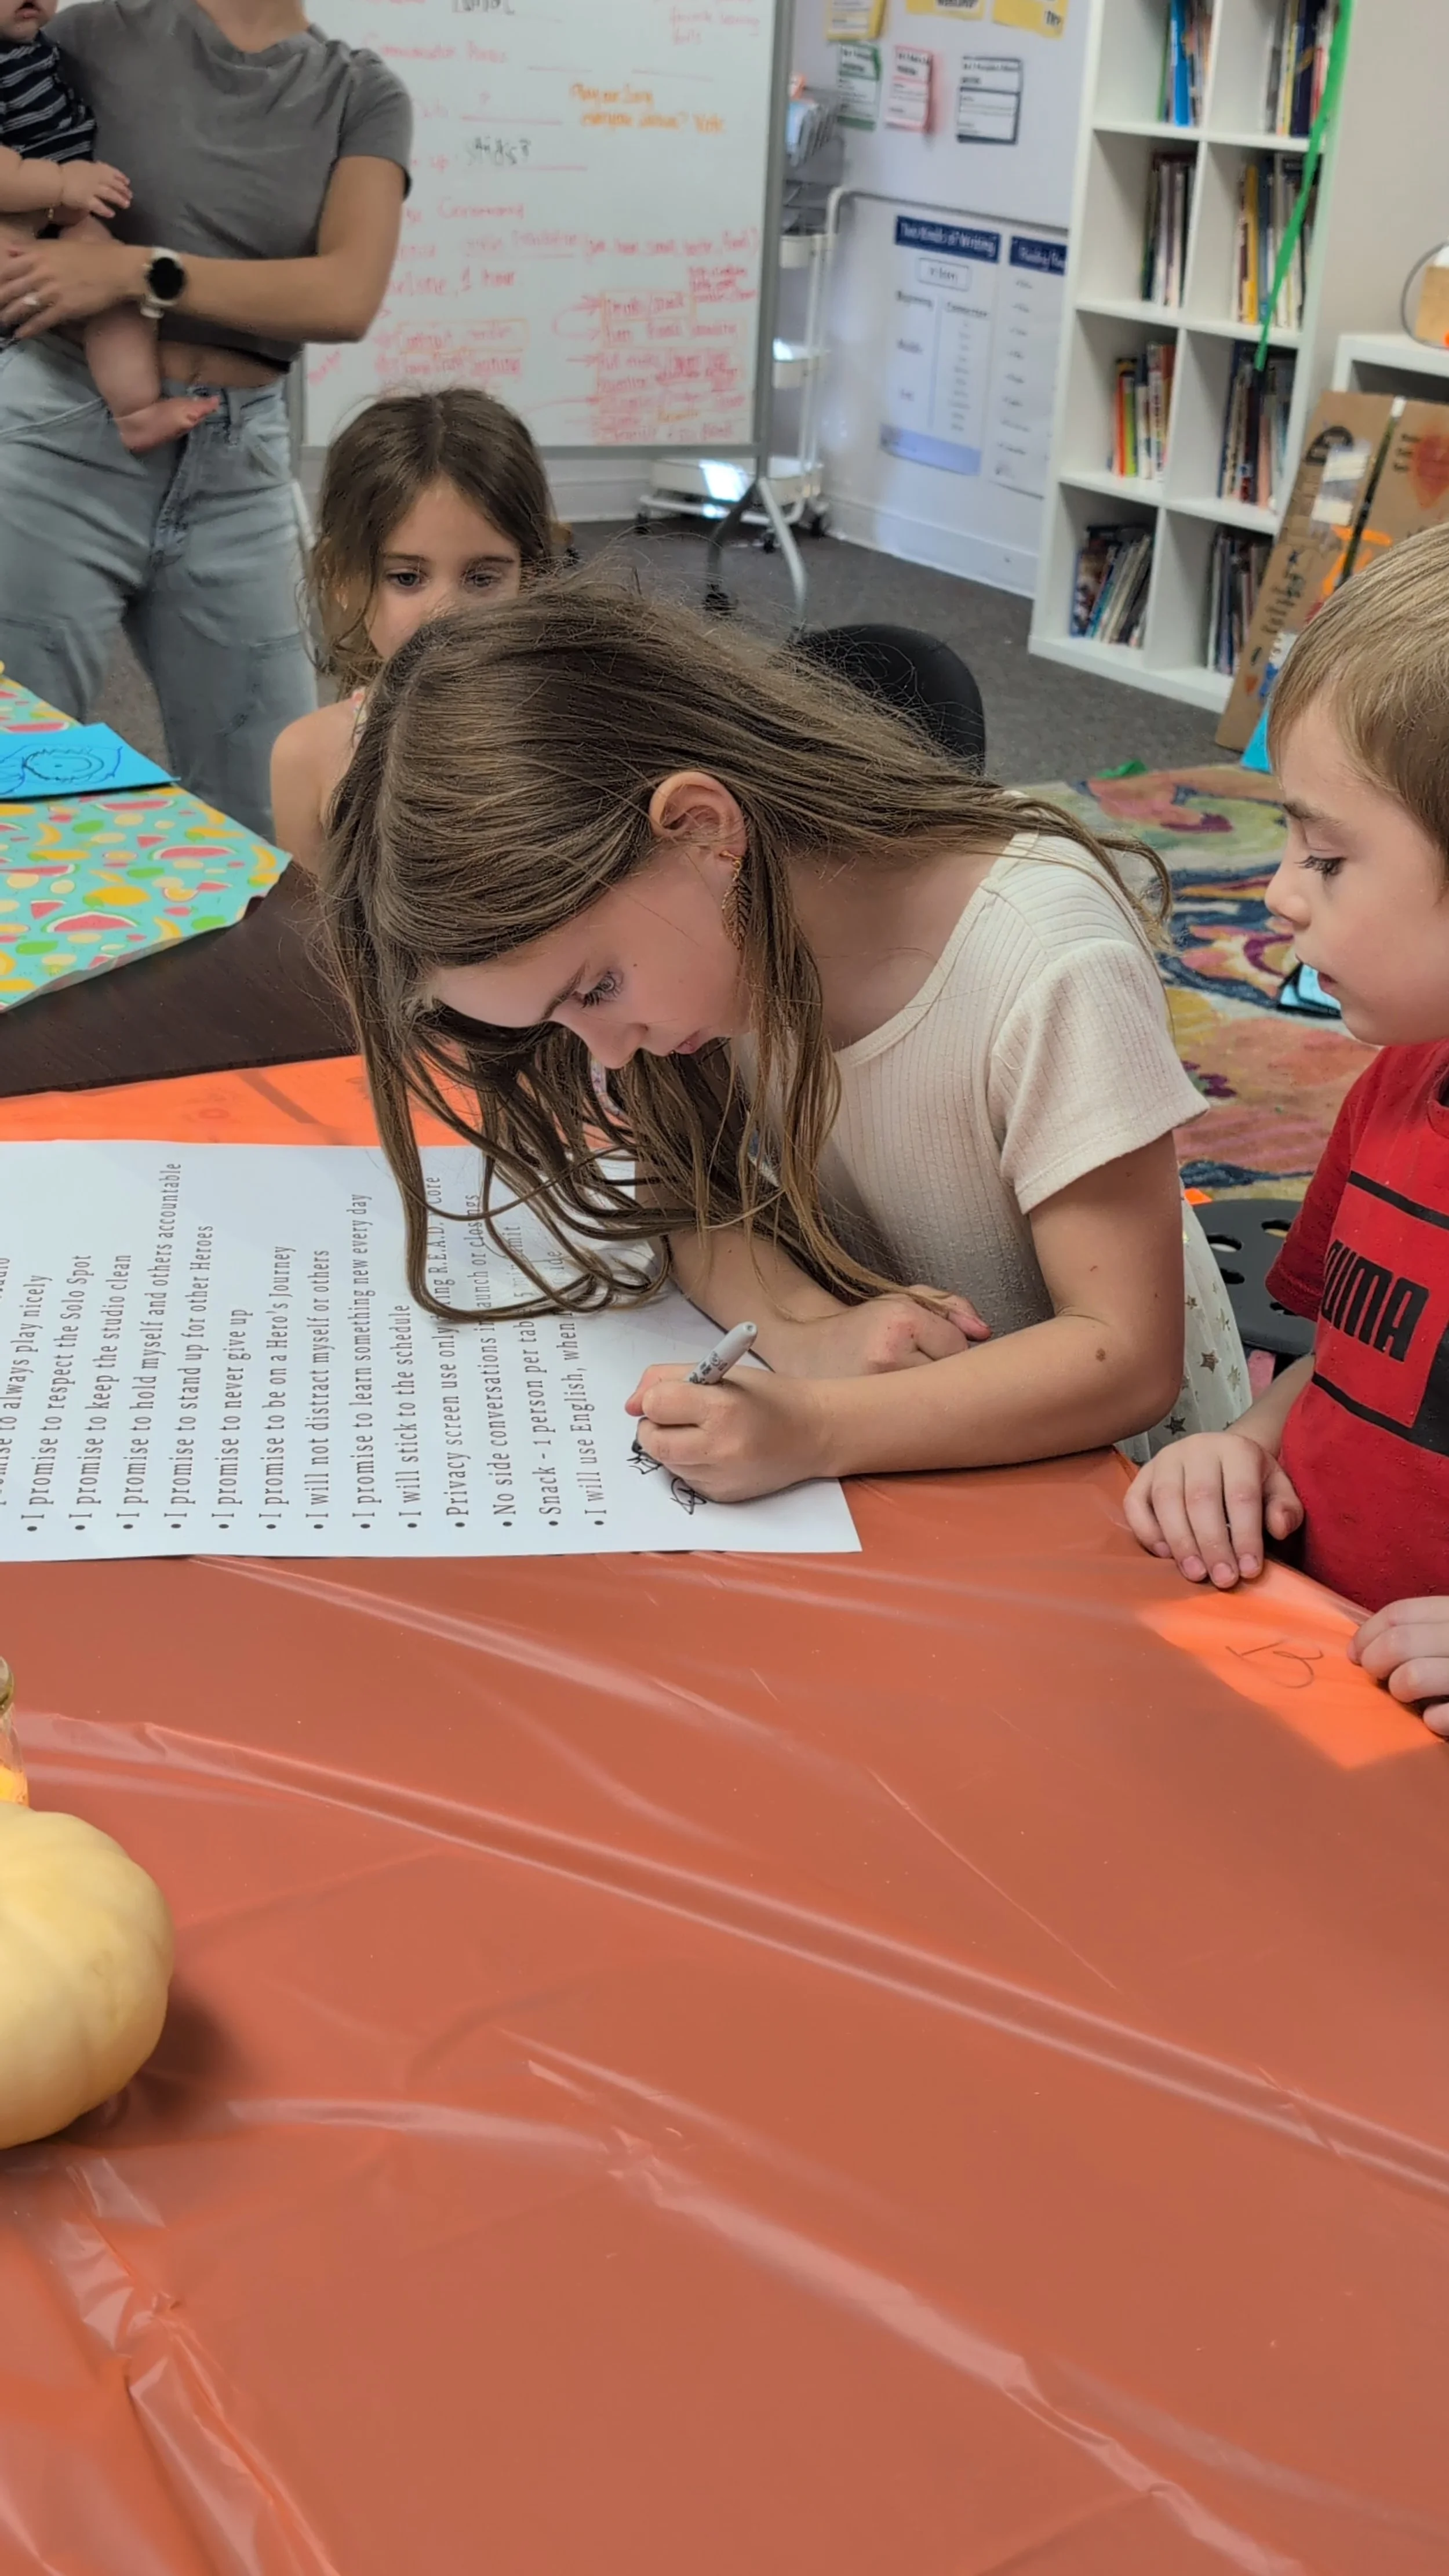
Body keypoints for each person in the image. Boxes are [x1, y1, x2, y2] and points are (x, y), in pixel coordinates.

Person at [320, 586, 1246, 1502]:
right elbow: (687, 1190)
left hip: (1128, 1482)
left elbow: (1123, 1360)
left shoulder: (1047, 961)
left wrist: (813, 1424)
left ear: (701, 831)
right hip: (905, 1445)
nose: (607, 1053)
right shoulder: (711, 955)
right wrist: (808, 1335)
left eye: (597, 989)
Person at [1124, 524, 1449, 1738]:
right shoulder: (1392, 1087)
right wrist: (1249, 1442)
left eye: (1325, 854)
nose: (1275, 892)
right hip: (1306, 1664)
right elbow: (1352, 1365)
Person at [0, 0, 411, 841]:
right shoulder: (88, 34)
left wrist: (135, 273)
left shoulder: (363, 92)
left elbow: (345, 295)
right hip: (58, 421)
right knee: (17, 779)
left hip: (239, 458)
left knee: (270, 805)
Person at [271, 388, 559, 878]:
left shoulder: (567, 740)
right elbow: (313, 945)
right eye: (406, 578)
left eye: (482, 578)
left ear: (528, 577)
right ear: (343, 577)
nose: (445, 613)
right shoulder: (309, 756)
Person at [0, 0, 216, 450]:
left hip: (64, 212)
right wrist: (60, 183)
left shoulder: (37, 46)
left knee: (119, 290)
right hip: (34, 210)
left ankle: (136, 412)